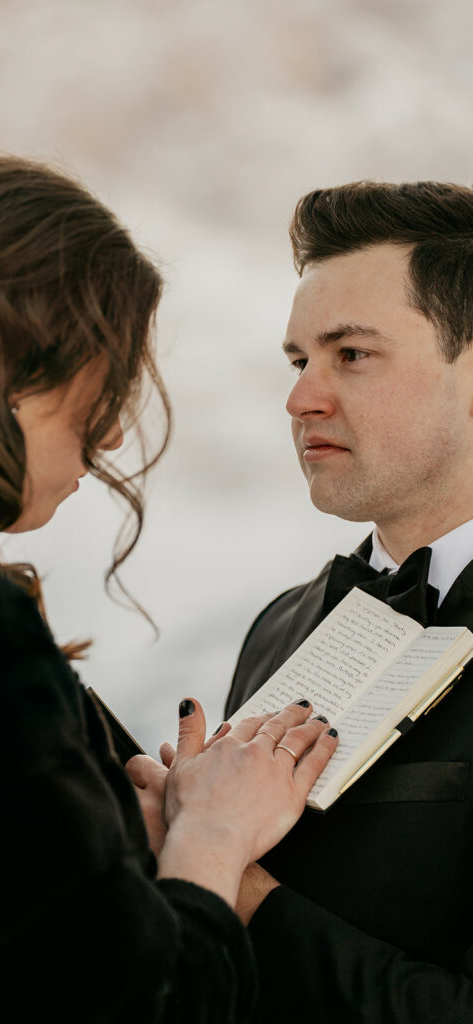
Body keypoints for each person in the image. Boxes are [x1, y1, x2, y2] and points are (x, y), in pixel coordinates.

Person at [0, 155, 338, 1023]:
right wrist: (213, 837)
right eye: (102, 385)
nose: (115, 430)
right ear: (5, 378)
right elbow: (135, 1007)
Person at [224, 180, 473, 1023]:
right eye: (298, 361)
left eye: (350, 354)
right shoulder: (279, 627)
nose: (300, 400)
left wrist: (242, 900)